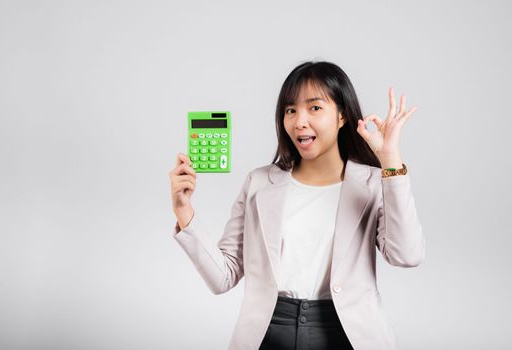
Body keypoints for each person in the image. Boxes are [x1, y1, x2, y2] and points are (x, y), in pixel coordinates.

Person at [169, 61, 425, 350]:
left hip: (347, 333)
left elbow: (407, 254)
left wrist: (390, 160)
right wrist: (184, 211)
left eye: (315, 108)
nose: (299, 121)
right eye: (290, 110)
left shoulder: (373, 184)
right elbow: (223, 277)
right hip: (268, 331)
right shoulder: (258, 183)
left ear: (342, 116)